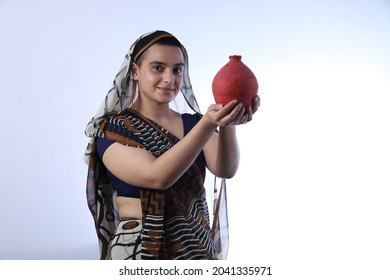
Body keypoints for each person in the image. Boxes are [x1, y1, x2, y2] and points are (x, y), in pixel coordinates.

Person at [84, 30, 260, 260]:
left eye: (177, 69)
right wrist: (208, 124)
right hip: (140, 249)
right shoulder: (113, 130)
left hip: (195, 246)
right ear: (135, 71)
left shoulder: (193, 123)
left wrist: (228, 122)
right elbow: (158, 177)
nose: (170, 78)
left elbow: (226, 169)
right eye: (158, 67)